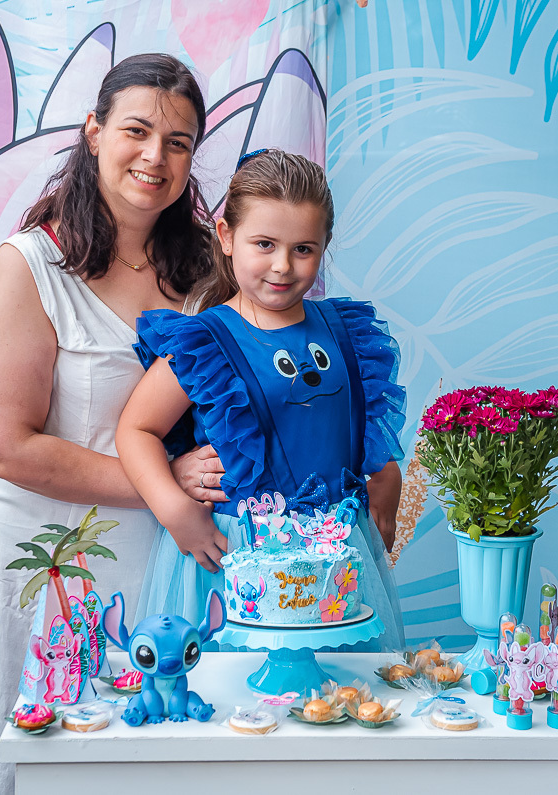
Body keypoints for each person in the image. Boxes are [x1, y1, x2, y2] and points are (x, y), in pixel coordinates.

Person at [0, 54, 226, 795]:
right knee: (39, 761)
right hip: (47, 567)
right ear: (94, 131)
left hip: (165, 562)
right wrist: (163, 485)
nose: (155, 156)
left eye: (178, 142)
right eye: (136, 131)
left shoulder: (209, 268)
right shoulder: (32, 263)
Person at [116, 149, 406, 649]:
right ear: (227, 237)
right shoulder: (206, 342)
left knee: (338, 683)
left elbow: (350, 419)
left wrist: (386, 476)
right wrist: (173, 509)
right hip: (237, 555)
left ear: (324, 245)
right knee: (241, 683)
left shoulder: (345, 331)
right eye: (265, 244)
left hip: (337, 553)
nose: (282, 266)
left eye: (303, 249)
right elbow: (136, 429)